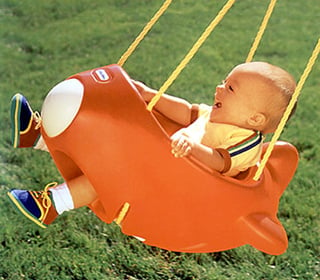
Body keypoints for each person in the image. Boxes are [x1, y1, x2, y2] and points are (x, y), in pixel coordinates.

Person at [7, 61, 297, 228]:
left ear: (255, 118)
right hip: (167, 163)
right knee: (119, 131)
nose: (219, 87)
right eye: (225, 81)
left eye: (230, 88)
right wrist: (149, 95)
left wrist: (191, 147)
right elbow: (186, 111)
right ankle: (41, 136)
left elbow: (221, 162)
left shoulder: (246, 144)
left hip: (175, 190)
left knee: (113, 173)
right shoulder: (218, 114)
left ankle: (52, 204)